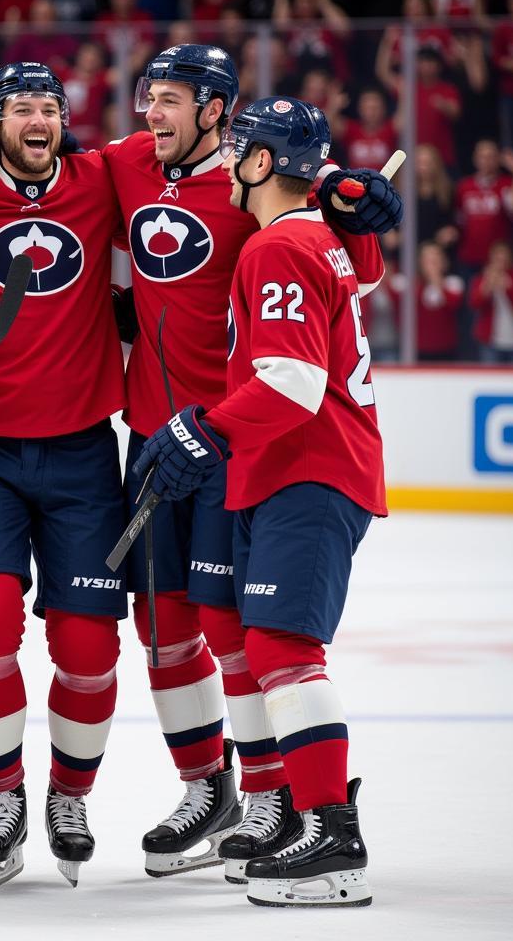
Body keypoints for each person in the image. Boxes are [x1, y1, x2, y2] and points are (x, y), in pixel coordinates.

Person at [100, 43, 399, 880]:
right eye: (145, 94)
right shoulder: (132, 164)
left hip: (242, 441)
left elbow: (348, 265)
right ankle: (213, 788)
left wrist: (355, 196)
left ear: (220, 114)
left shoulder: (272, 212)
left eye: (168, 98)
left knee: (251, 635)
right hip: (170, 435)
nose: (150, 113)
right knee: (164, 629)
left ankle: (281, 803)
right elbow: (44, 169)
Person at [0, 62, 128, 889]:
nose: (37, 119)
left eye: (50, 107)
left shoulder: (100, 176)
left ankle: (69, 797)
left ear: (64, 122)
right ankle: (1, 793)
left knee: (85, 644)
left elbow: (207, 159)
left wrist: (326, 174)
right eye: (20, 108)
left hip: (82, 453)